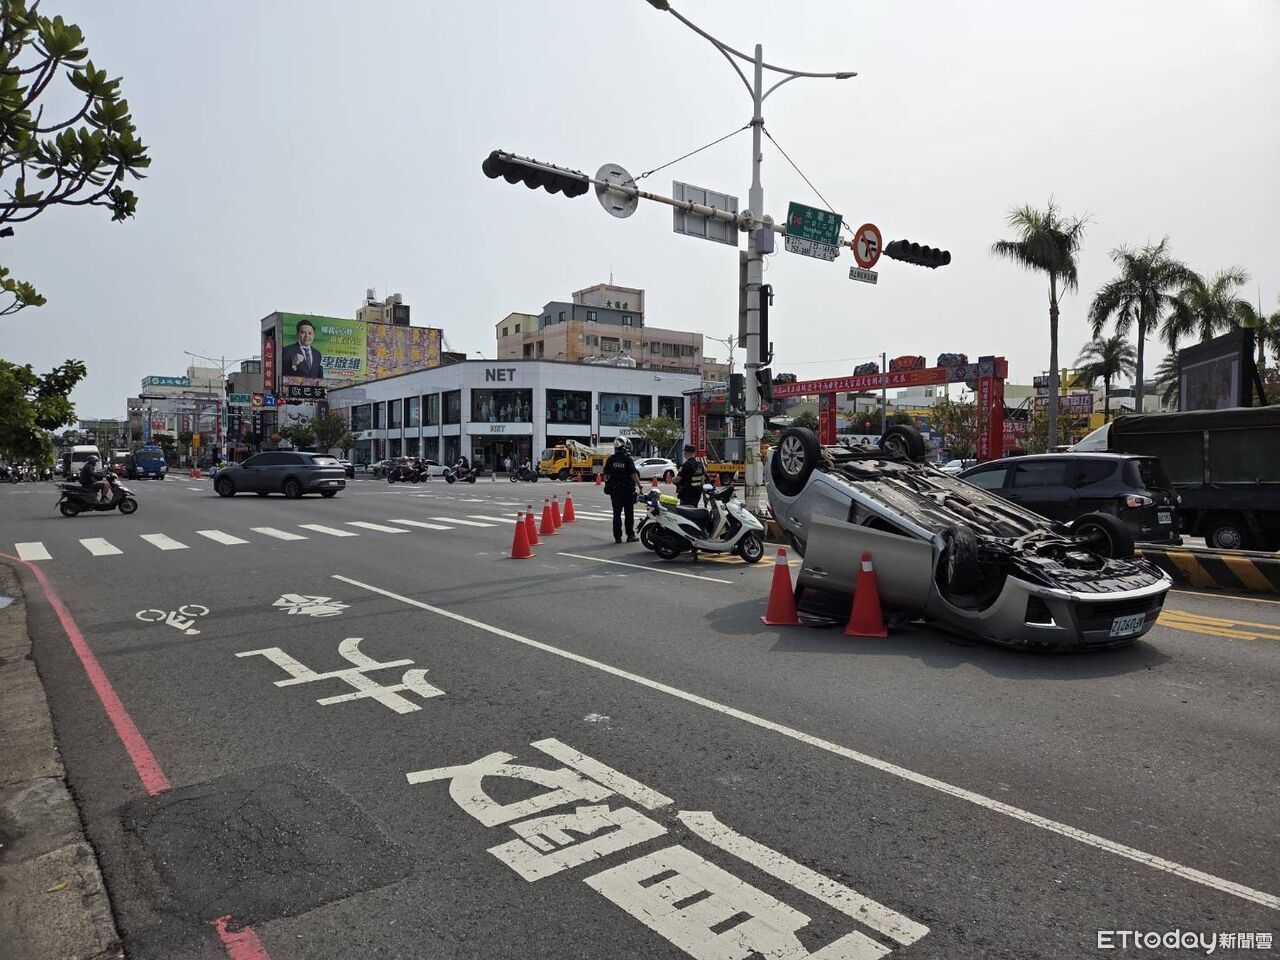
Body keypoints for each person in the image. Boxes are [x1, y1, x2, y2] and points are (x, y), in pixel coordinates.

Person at [602, 437, 642, 544]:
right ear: (624, 447)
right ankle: (630, 535)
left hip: (615, 491)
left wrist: (610, 483)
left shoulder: (611, 459)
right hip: (627, 491)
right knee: (629, 514)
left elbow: (605, 476)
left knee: (616, 514)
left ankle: (617, 537)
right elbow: (633, 474)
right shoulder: (627, 459)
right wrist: (640, 485)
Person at [674, 443, 708, 507]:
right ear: (694, 453)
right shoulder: (700, 465)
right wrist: (704, 495)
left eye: (685, 452)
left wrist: (673, 479)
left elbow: (677, 480)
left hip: (686, 495)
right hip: (697, 495)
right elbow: (702, 482)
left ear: (687, 452)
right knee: (694, 512)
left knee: (685, 513)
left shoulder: (686, 465)